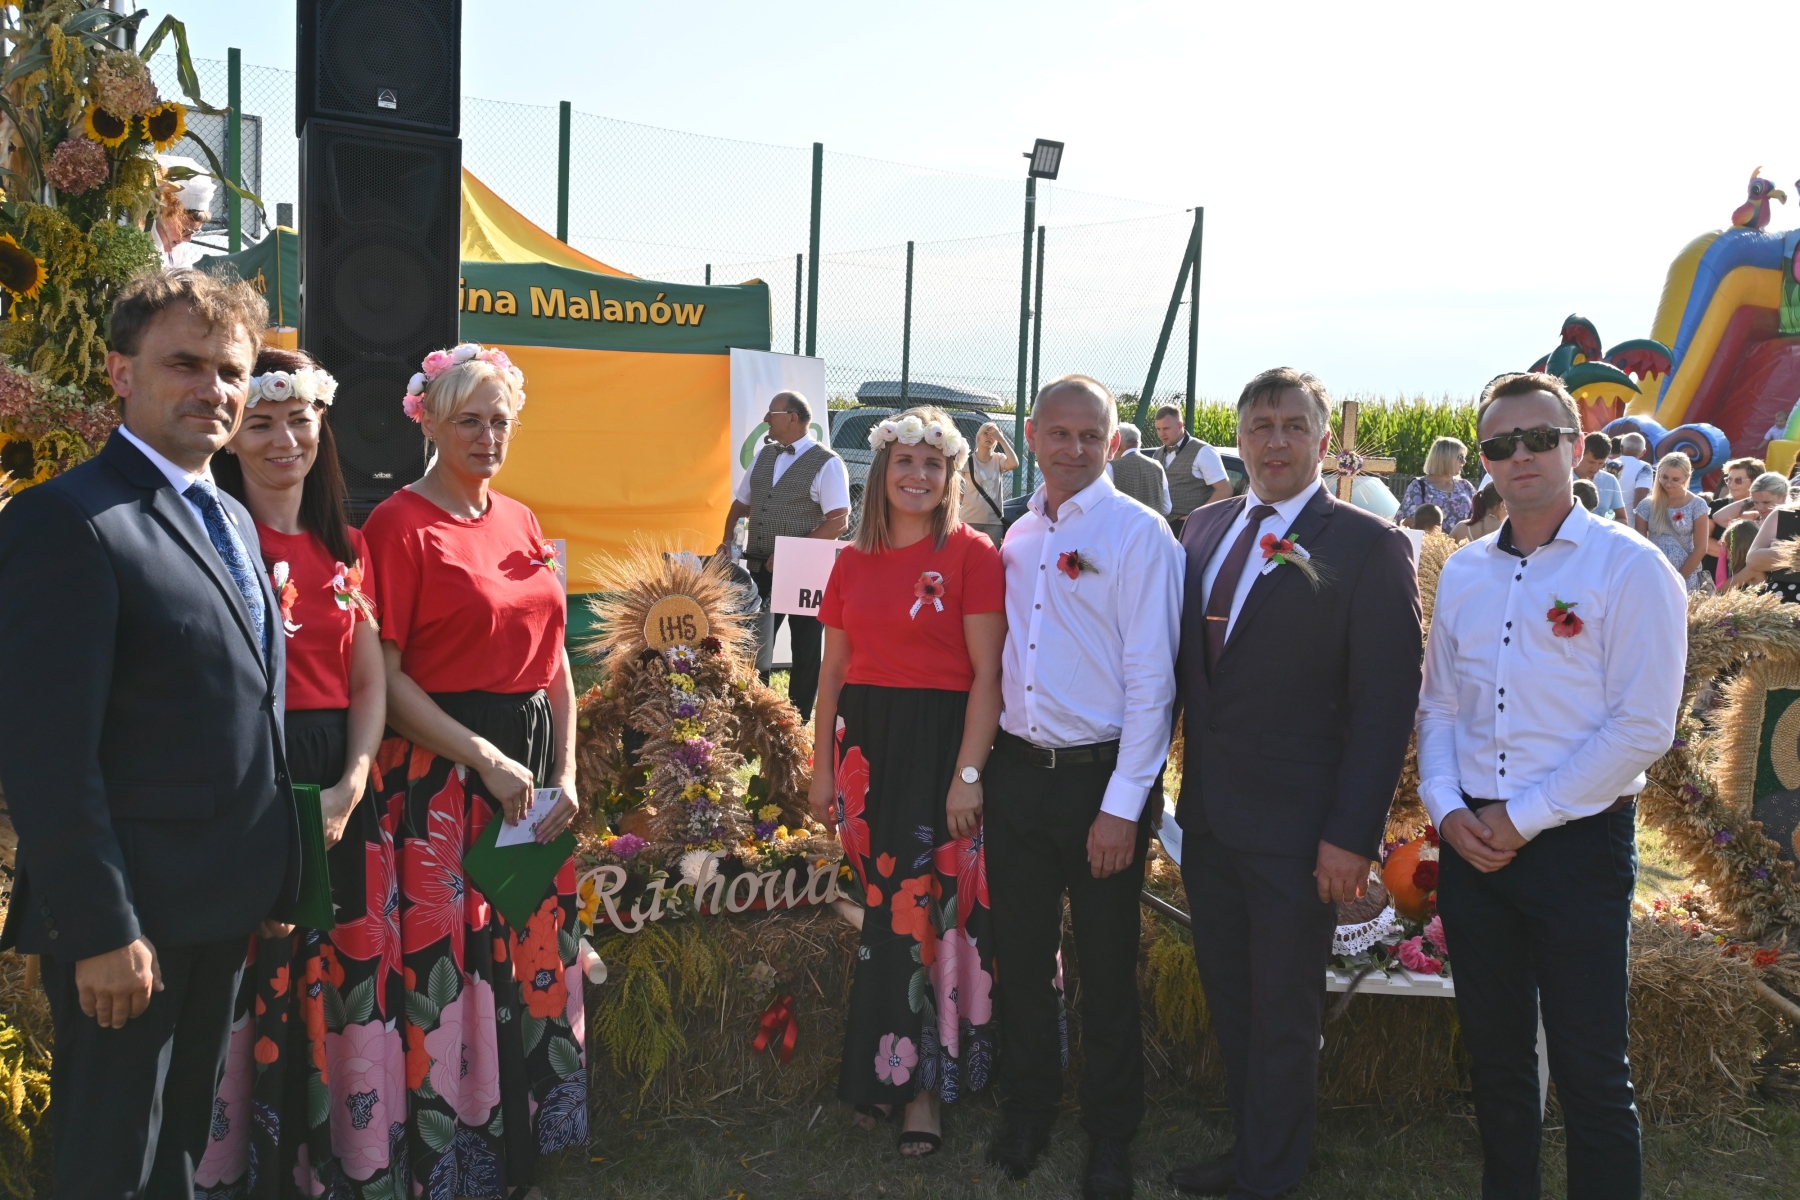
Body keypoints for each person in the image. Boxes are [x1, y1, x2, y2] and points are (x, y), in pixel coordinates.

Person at [0, 268, 294, 1199]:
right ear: (121, 372)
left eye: (231, 371)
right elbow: (46, 753)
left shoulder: (231, 516)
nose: (214, 388)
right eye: (185, 364)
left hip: (219, 904)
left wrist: (273, 873)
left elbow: (248, 706)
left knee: (177, 1156)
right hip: (127, 928)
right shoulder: (65, 521)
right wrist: (100, 929)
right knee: (111, 1166)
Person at [1418, 371, 1686, 1200]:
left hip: (1577, 847)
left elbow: (1643, 726)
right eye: (1502, 444)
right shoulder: (1464, 571)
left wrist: (1522, 819)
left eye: (1539, 438)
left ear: (1576, 446)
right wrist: (1446, 808)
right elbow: (1440, 705)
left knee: (1591, 1069)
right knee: (1495, 1061)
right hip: (1473, 846)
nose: (1521, 455)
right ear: (1485, 461)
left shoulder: (1631, 567)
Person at [1166, 368, 1421, 1200]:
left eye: (1293, 425)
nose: (1275, 441)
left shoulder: (1367, 544)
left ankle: (1269, 1178)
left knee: (1283, 1011)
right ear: (1238, 437)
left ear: (1320, 439)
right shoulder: (1204, 527)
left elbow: (1385, 704)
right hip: (1209, 821)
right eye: (1260, 425)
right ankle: (1254, 1151)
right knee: (1233, 999)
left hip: (1301, 831)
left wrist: (1351, 835)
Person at [362, 343, 588, 1192]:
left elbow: (555, 660)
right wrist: (484, 757)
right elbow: (384, 680)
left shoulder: (522, 518)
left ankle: (526, 1142)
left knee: (527, 949)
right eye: (469, 421)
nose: (488, 436)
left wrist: (567, 769)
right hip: (443, 773)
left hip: (529, 773)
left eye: (500, 420)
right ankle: (453, 1157)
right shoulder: (397, 525)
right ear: (428, 421)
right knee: (451, 967)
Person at [196, 349, 391, 1197]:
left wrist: (353, 782)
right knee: (252, 978)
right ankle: (236, 1169)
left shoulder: (347, 547)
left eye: (298, 421)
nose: (284, 441)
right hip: (250, 779)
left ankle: (334, 1161)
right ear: (231, 438)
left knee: (337, 977)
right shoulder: (214, 543)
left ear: (322, 429)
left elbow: (368, 682)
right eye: (262, 423)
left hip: (337, 782)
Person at [984, 376, 1183, 1200]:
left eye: (1090, 435)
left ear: (1114, 442)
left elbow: (1154, 682)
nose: (1073, 448)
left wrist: (1122, 808)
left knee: (1105, 968)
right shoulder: (1018, 533)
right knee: (1024, 958)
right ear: (1031, 435)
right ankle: (1029, 1110)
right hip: (1016, 778)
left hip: (1100, 783)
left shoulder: (1141, 534)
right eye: (1058, 433)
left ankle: (1110, 1132)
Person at [809, 406, 1005, 1158]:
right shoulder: (850, 560)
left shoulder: (973, 554)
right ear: (881, 473)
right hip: (867, 754)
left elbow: (988, 675)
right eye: (904, 462)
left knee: (927, 916)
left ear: (950, 475)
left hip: (939, 751)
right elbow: (831, 673)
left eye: (933, 464)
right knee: (886, 916)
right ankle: (882, 1071)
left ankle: (922, 1088)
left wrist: (967, 776)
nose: (917, 476)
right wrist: (821, 768)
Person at [717, 390, 850, 722]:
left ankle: (797, 720)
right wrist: (726, 540)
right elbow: (741, 504)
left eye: (772, 413)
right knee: (755, 643)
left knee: (805, 646)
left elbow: (839, 520)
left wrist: (794, 554)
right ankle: (755, 715)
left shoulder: (828, 462)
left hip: (805, 571)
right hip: (759, 566)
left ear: (793, 418)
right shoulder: (765, 455)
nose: (766, 419)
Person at [1633, 452, 1712, 591]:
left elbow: (1701, 548)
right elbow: (1639, 545)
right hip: (1654, 571)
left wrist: (1678, 578)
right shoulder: (1646, 505)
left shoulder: (1697, 504)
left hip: (1686, 574)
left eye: (1675, 479)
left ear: (1686, 477)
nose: (1668, 484)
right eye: (1664, 477)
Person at [1154, 403, 1232, 535]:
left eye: (1166, 428)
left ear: (1180, 425)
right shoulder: (1158, 453)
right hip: (1161, 525)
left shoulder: (1203, 451)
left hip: (1190, 527)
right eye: (1158, 429)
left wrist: (1197, 516)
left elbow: (1225, 490)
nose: (1162, 434)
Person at [959, 420, 1019, 545]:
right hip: (969, 520)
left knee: (990, 556)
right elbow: (951, 480)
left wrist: (1002, 439)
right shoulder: (968, 461)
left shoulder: (999, 459)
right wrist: (962, 498)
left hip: (994, 523)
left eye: (993, 434)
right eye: (986, 433)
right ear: (978, 437)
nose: (989, 437)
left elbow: (1014, 463)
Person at [153, 154, 215, 270]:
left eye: (194, 232)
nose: (189, 238)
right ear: (163, 212)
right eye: (185, 229)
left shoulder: (179, 253)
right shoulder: (137, 244)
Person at [1399, 436, 1475, 525]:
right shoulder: (1418, 486)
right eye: (1461, 457)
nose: (1464, 461)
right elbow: (1409, 522)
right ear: (1446, 457)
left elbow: (1480, 516)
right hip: (1429, 535)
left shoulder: (1465, 486)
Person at [1108, 424, 1173, 515]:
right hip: (1153, 523)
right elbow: (1167, 508)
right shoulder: (1157, 466)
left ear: (1118, 444)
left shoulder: (1111, 467)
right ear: (1138, 443)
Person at [1574, 432, 1628, 522]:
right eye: (1591, 462)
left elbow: (1622, 519)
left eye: (1601, 463)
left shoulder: (1610, 480)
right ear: (1580, 453)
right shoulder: (1563, 479)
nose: (1595, 468)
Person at [1616, 432, 1655, 511]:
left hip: (1601, 517)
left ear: (1621, 448)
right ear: (1643, 452)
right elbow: (1640, 502)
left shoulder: (1607, 464)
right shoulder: (1644, 467)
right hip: (1629, 518)